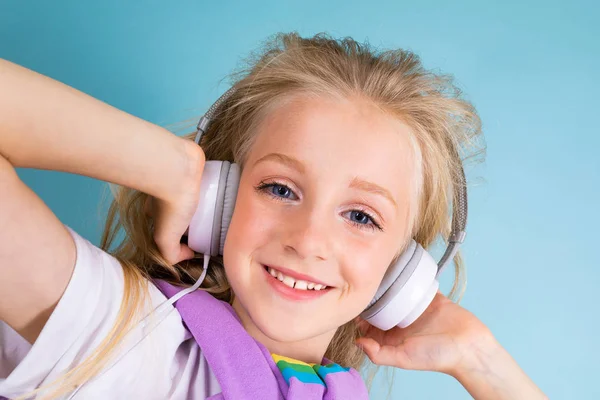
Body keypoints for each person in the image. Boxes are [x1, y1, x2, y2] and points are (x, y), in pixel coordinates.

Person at [0, 32, 546, 399]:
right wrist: (167, 165)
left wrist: (480, 361)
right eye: (280, 188)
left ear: (402, 272)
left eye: (360, 217)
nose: (308, 239)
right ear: (218, 202)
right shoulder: (124, 338)